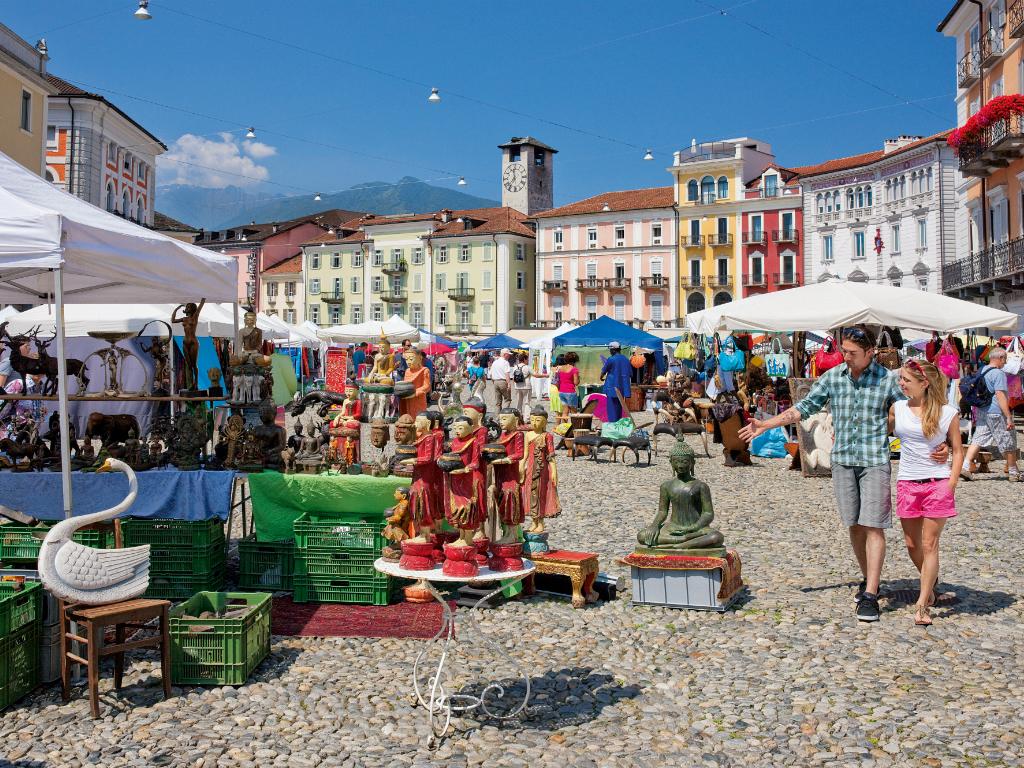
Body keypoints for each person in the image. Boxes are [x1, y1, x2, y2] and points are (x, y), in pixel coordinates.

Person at [739, 325, 947, 623]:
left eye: (852, 353)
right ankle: (868, 578)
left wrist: (941, 445)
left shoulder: (888, 381)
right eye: (844, 351)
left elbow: (918, 409)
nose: (846, 357)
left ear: (870, 353)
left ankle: (871, 595)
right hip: (843, 462)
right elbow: (804, 408)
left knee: (873, 526)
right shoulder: (833, 378)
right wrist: (766, 424)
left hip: (875, 461)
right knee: (854, 525)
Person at [889, 359, 962, 627]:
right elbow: (877, 431)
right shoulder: (897, 408)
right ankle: (929, 582)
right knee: (912, 545)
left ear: (924, 383)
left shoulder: (947, 412)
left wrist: (952, 482)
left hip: (937, 483)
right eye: (901, 379)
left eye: (906, 380)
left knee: (930, 544)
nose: (901, 384)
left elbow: (958, 448)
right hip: (908, 482)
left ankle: (922, 604)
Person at [960, 346, 1018, 481]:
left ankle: (966, 466)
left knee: (978, 439)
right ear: (1000, 358)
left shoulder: (982, 370)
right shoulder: (998, 373)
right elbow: (1000, 395)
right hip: (996, 412)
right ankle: (1014, 472)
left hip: (982, 411)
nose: (1005, 362)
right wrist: (1008, 416)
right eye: (1005, 359)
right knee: (1008, 439)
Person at [601, 341, 633, 423]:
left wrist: (601, 377)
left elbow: (604, 371)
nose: (610, 352)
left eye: (610, 350)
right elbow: (630, 374)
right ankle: (618, 424)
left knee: (611, 409)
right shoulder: (626, 359)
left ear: (613, 350)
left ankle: (613, 426)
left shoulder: (611, 359)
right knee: (619, 408)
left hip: (611, 387)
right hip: (622, 388)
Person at [511, 352, 532, 416]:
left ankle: (518, 416)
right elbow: (535, 375)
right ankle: (526, 417)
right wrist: (546, 375)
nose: (528, 361)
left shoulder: (515, 367)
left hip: (517, 386)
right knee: (527, 402)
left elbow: (513, 378)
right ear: (524, 359)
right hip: (526, 386)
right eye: (527, 359)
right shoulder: (527, 367)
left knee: (519, 402)